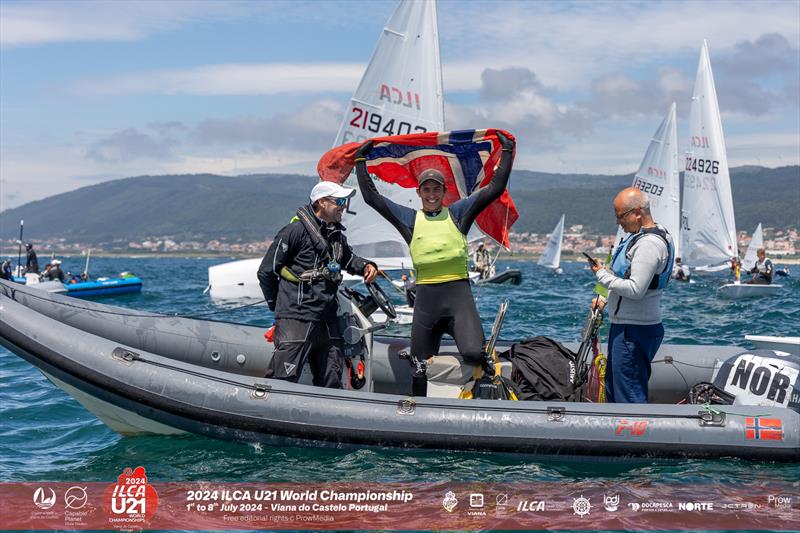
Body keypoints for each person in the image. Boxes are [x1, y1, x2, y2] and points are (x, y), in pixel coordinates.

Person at [354, 132, 515, 395]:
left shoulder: (458, 214)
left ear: (444, 192)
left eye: (436, 189)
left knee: (475, 353)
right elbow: (373, 198)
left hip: (458, 298)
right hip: (426, 302)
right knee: (418, 367)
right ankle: (418, 412)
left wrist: (506, 152)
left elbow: (494, 188)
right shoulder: (409, 219)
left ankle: (476, 394)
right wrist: (361, 160)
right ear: (418, 192)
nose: (431, 194)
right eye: (426, 189)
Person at [257, 181, 378, 388]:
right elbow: (266, 271)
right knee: (283, 380)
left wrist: (367, 265)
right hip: (297, 318)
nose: (343, 206)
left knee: (331, 381)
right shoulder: (294, 232)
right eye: (339, 201)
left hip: (327, 319)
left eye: (345, 202)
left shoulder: (336, 236)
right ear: (321, 202)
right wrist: (277, 306)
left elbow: (349, 260)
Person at [589, 187, 674, 404]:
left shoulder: (649, 245)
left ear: (637, 212)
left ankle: (633, 438)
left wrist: (601, 275)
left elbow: (636, 289)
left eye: (620, 216)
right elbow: (625, 275)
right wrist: (605, 297)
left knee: (629, 397)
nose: (618, 222)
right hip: (629, 329)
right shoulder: (648, 236)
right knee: (614, 391)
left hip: (634, 331)